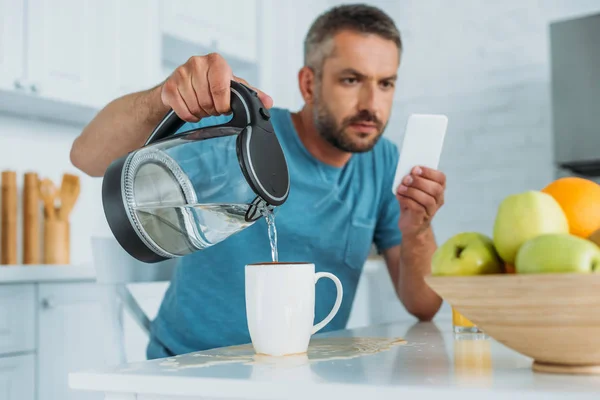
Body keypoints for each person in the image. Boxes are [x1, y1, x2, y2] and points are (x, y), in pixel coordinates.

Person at [70, 3, 446, 359]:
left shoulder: (384, 164)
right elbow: (85, 156)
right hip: (189, 370)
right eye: (352, 80)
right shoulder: (237, 131)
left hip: (296, 377)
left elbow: (424, 305)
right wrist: (163, 97)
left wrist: (418, 231)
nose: (371, 103)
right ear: (309, 84)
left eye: (386, 84)